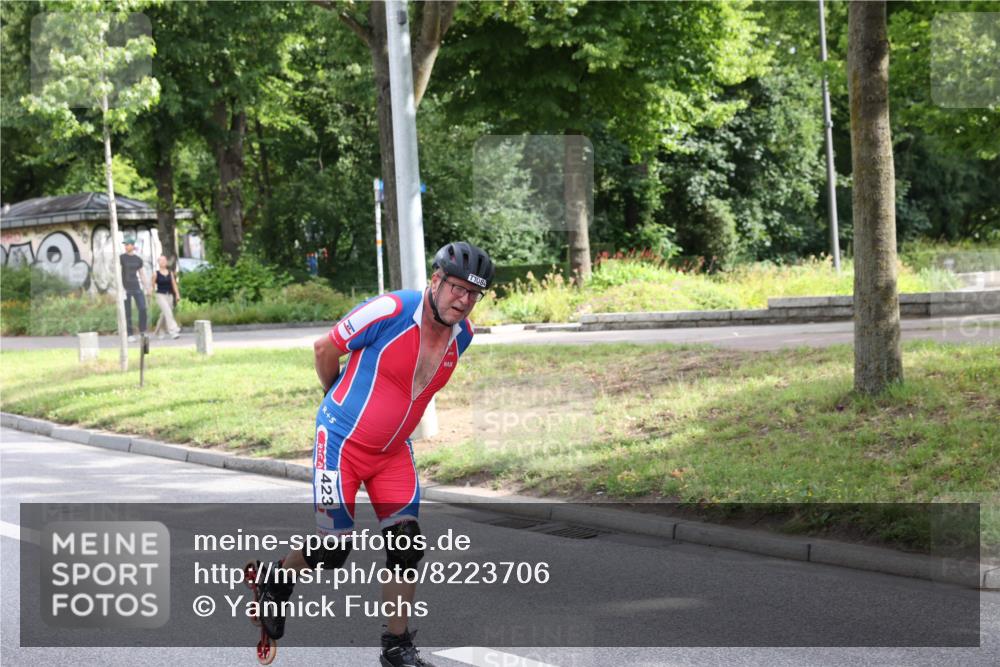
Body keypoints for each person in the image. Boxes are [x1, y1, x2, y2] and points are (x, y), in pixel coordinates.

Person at [252, 242, 494, 667]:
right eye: (457, 288)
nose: (464, 300)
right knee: (332, 550)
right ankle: (276, 579)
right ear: (435, 281)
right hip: (340, 444)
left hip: (392, 453)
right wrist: (335, 398)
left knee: (406, 545)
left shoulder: (464, 335)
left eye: (475, 293)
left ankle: (396, 647)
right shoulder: (391, 309)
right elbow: (324, 349)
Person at [119, 237, 148, 343]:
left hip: (136, 287)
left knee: (143, 308)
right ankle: (130, 334)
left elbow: (142, 274)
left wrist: (147, 287)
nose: (126, 246)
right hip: (125, 288)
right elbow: (117, 273)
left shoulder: (138, 259)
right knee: (128, 312)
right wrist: (120, 288)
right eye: (125, 245)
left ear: (133, 246)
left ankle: (143, 331)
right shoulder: (121, 258)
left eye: (128, 244)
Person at [150, 255, 182, 339]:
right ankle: (173, 330)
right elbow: (152, 285)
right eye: (161, 261)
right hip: (160, 295)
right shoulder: (155, 273)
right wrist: (151, 294)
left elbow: (174, 284)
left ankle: (157, 331)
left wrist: (177, 294)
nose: (163, 262)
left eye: (164, 260)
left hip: (170, 296)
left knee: (164, 315)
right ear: (158, 263)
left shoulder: (170, 273)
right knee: (168, 312)